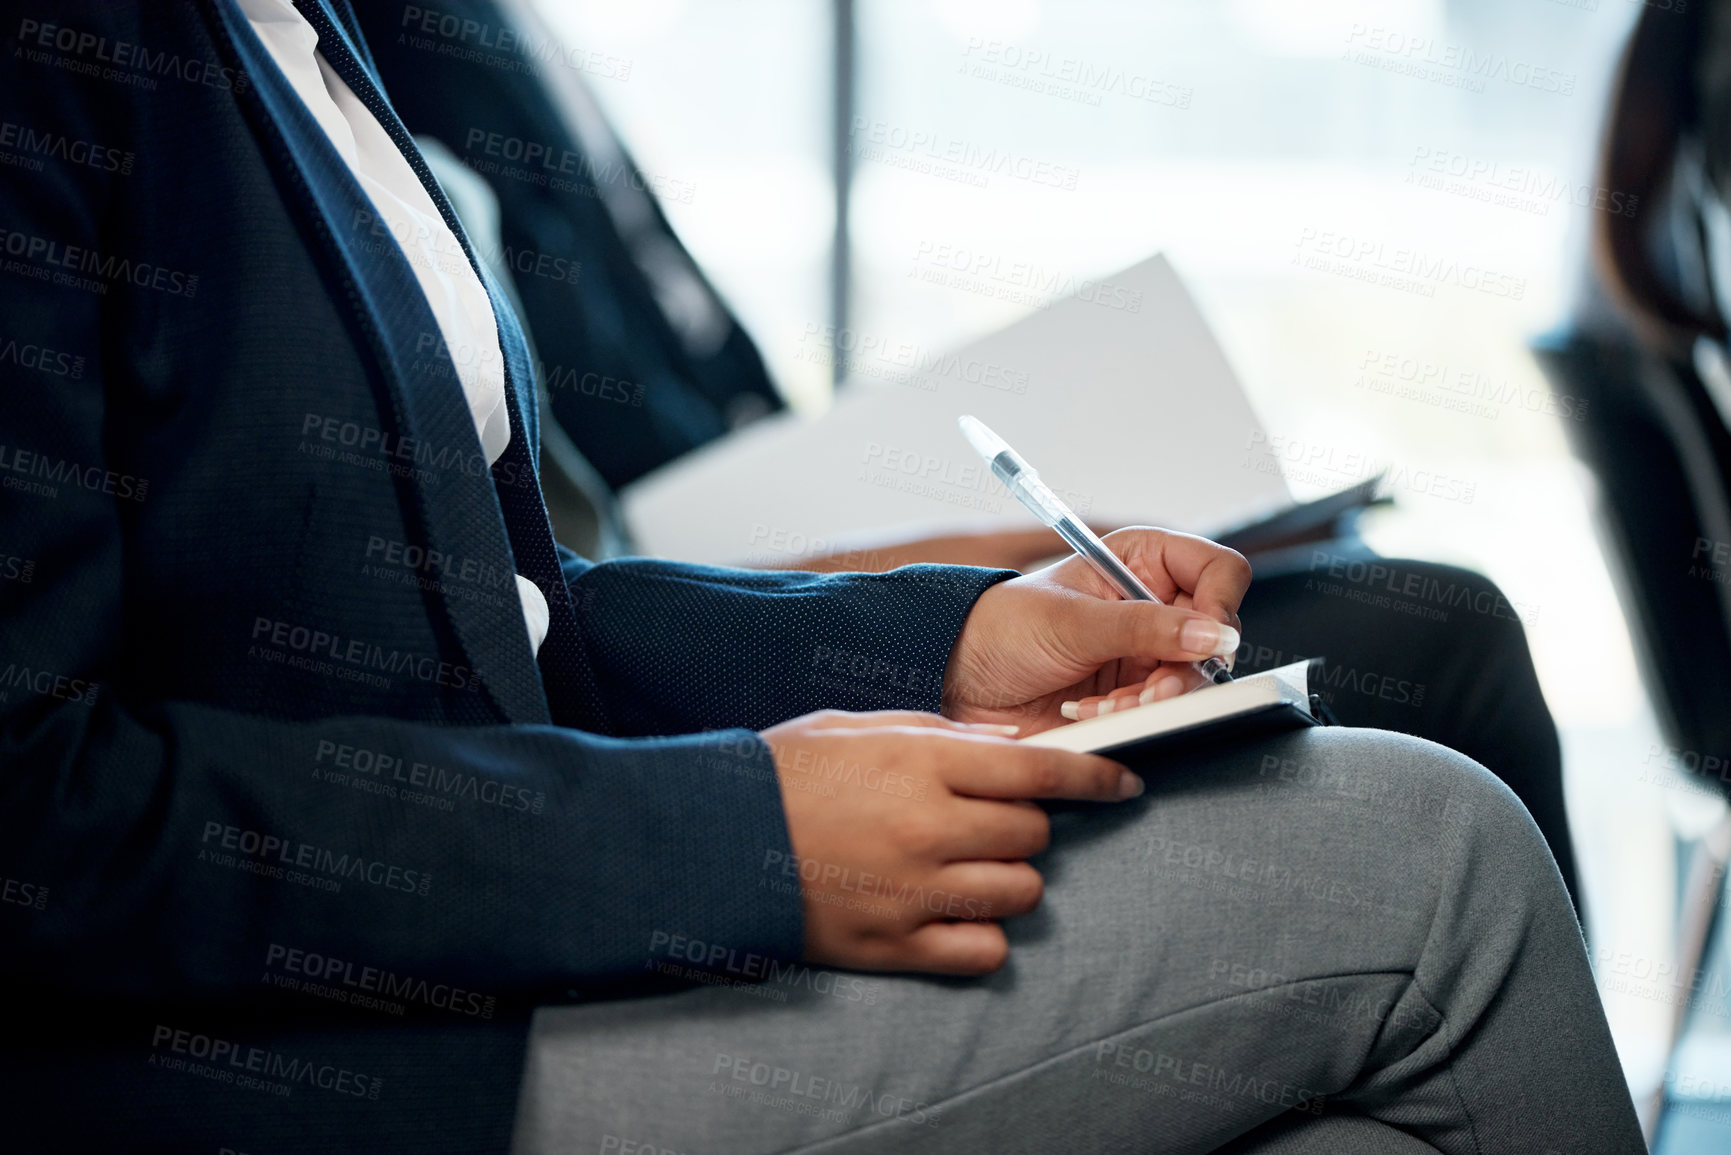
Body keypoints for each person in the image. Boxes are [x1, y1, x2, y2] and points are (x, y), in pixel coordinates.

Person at [0, 3, 1638, 1153]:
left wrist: (938, 635)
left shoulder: (292, 32)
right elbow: (41, 821)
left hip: (477, 945)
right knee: (1435, 857)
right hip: (328, 1063)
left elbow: (496, 620)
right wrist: (736, 836)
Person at [349, 0, 1582, 909]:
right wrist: (967, 580)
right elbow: (605, 542)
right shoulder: (386, 68)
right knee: (1444, 639)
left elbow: (699, 422)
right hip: (715, 622)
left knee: (1390, 615)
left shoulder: (491, 48)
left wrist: (967, 601)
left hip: (742, 592)